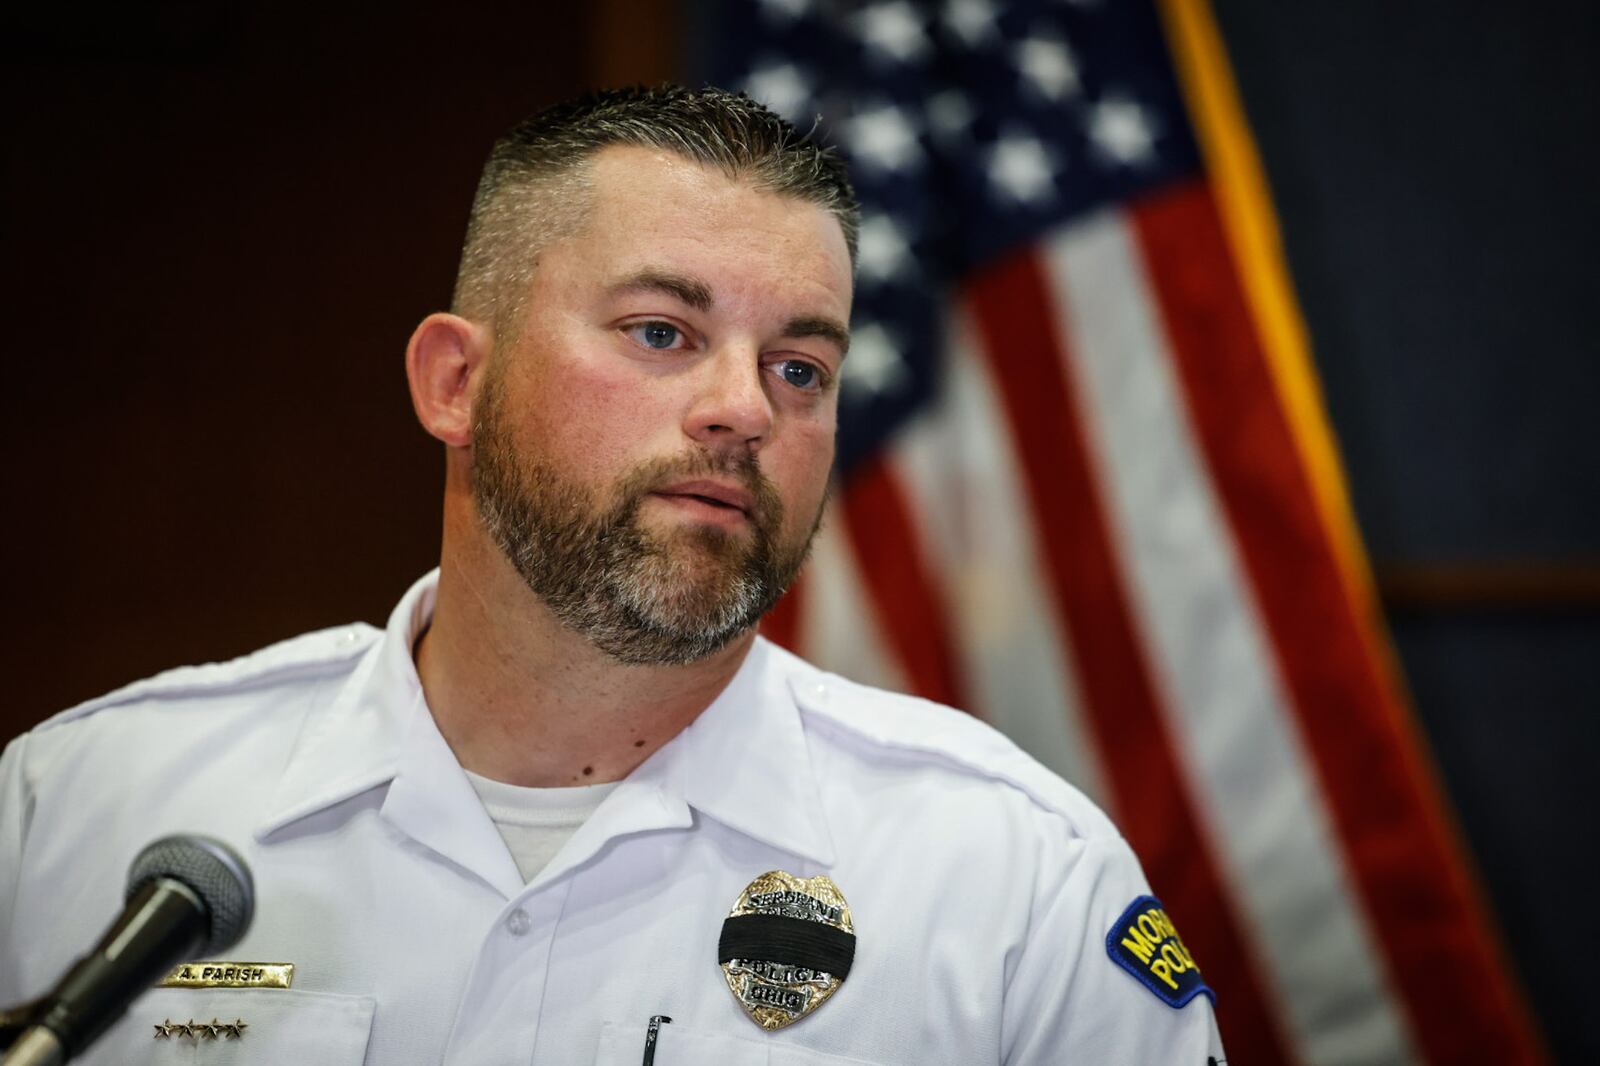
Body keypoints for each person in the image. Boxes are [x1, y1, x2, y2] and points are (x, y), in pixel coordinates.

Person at [0, 87, 1225, 1064]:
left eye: (800, 366)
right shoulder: (81, 812)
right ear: (453, 383)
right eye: (662, 333)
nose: (744, 408)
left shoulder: (1011, 877)